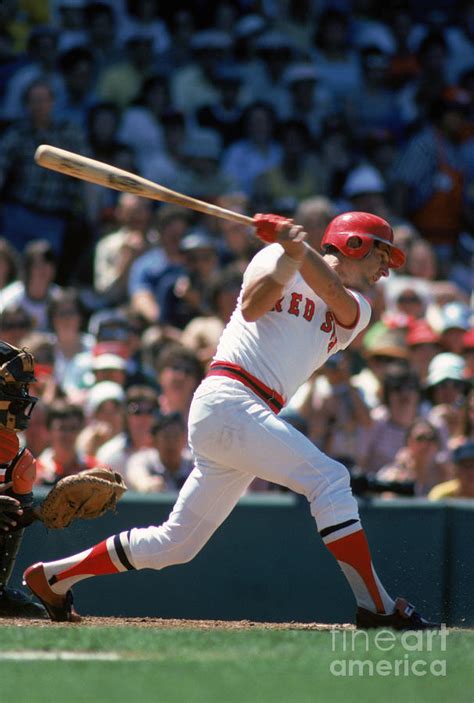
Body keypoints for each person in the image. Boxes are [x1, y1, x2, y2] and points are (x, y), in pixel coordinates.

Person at [23, 211, 435, 629]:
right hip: (229, 399)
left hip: (246, 417)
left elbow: (333, 294)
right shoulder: (275, 256)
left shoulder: (360, 307)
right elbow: (254, 307)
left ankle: (53, 577)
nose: (387, 268)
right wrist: (289, 255)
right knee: (329, 479)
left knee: (176, 543)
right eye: (382, 253)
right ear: (354, 243)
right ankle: (377, 607)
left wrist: (297, 250)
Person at [0, 341, 46, 617]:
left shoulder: (17, 459)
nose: (22, 397)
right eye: (14, 388)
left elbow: (17, 517)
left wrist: (40, 513)